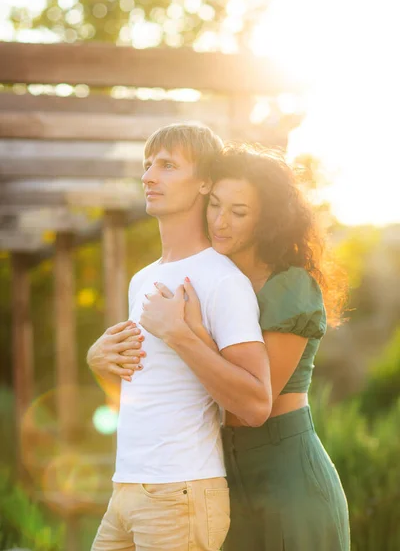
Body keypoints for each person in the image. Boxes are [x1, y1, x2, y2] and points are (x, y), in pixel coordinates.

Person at [118, 142, 351, 550]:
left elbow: (250, 404)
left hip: (287, 476)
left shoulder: (291, 287)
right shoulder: (211, 280)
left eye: (239, 212)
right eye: (215, 205)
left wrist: (183, 335)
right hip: (223, 471)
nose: (220, 222)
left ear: (268, 221)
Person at [87, 125, 272, 551]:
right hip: (126, 489)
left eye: (168, 165)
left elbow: (256, 403)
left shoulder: (223, 280)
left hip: (180, 494)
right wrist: (99, 362)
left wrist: (181, 335)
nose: (149, 176)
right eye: (148, 165)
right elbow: (152, 391)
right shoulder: (142, 279)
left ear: (205, 182)